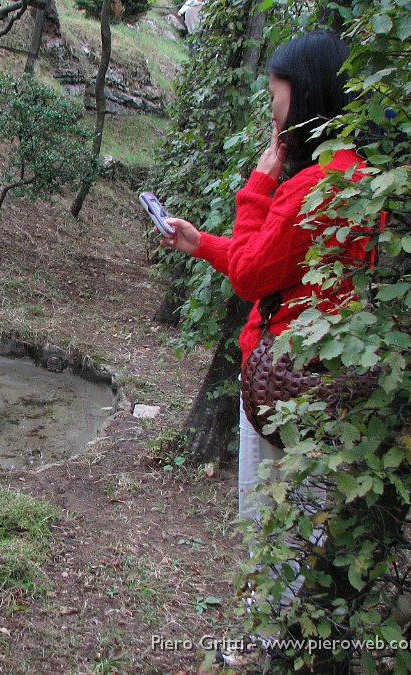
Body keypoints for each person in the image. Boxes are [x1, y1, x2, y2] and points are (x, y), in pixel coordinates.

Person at [161, 32, 375, 530]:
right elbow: (279, 262)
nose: (273, 111)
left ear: (303, 96)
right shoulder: (357, 174)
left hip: (287, 379)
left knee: (271, 525)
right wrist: (203, 244)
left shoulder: (309, 186)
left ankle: (271, 605)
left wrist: (258, 186)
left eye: (276, 95)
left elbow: (253, 276)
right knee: (311, 517)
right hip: (333, 378)